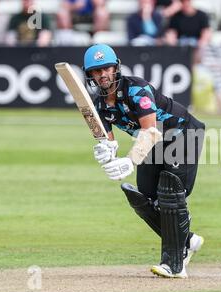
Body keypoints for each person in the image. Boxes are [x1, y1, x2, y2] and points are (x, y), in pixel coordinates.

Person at [83, 44, 206, 278]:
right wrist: (106, 151)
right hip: (153, 144)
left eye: (106, 68)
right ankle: (187, 241)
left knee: (170, 194)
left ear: (115, 67)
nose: (102, 75)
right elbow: (107, 140)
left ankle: (174, 263)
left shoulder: (136, 89)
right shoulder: (98, 104)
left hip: (183, 134)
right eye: (96, 71)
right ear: (90, 75)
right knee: (145, 198)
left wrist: (130, 161)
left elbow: (150, 131)